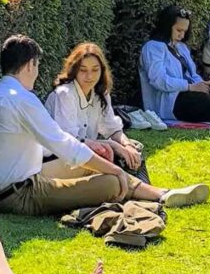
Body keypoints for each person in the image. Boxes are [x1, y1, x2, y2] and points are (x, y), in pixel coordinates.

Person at [0, 35, 208, 216]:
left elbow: (43, 150)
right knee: (112, 181)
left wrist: (104, 154)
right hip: (19, 194)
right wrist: (112, 168)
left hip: (7, 186)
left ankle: (161, 194)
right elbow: (65, 145)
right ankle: (158, 195)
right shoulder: (23, 99)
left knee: (94, 165)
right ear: (31, 64)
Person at [46, 43, 148, 182]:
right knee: (110, 153)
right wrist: (113, 145)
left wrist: (127, 145)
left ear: (102, 71)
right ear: (75, 70)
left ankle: (144, 187)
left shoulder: (101, 94)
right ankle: (133, 189)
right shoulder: (65, 94)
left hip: (90, 150)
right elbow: (69, 139)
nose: (89, 76)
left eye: (95, 70)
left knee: (134, 150)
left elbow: (112, 128)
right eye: (83, 70)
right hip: (61, 156)